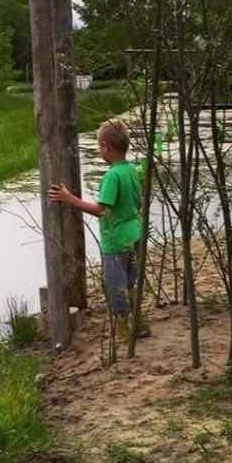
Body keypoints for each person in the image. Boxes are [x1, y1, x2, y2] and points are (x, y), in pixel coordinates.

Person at [48, 119, 142, 337]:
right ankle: (139, 324)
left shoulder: (112, 176)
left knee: (115, 285)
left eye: (99, 146)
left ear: (105, 147)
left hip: (115, 240)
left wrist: (68, 198)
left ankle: (122, 330)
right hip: (134, 234)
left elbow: (102, 210)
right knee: (130, 283)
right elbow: (138, 203)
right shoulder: (132, 171)